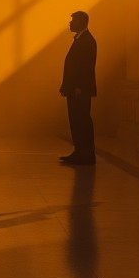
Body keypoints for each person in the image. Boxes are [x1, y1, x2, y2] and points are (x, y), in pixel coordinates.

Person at [59, 10, 97, 165]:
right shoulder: (81, 39)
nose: (70, 23)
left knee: (81, 120)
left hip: (80, 89)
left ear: (80, 22)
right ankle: (80, 151)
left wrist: (79, 86)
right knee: (76, 120)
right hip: (75, 88)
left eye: (72, 20)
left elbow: (86, 67)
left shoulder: (87, 41)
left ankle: (86, 154)